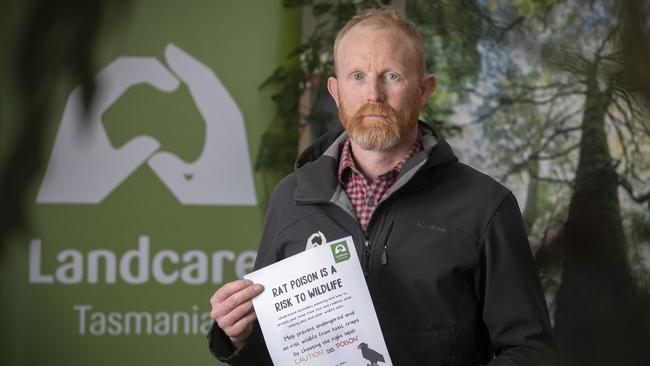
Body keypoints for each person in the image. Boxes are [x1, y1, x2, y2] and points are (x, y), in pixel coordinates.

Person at [208, 8, 556, 366]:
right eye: (356, 76)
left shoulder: (485, 207)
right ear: (336, 91)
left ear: (424, 90)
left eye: (391, 75)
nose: (373, 94)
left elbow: (531, 351)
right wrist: (239, 336)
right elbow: (276, 351)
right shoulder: (291, 198)